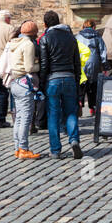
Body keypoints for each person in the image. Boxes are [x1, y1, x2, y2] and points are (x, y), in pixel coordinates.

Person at [38, 10, 84, 159]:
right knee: (71, 112)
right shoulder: (71, 38)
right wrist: (77, 80)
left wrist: (42, 84)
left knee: (53, 115)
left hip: (53, 79)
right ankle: (74, 140)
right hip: (69, 77)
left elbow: (44, 64)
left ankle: (55, 150)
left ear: (45, 24)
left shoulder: (45, 39)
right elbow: (77, 62)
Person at [5, 21, 41, 159]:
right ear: (34, 33)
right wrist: (40, 66)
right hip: (25, 84)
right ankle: (24, 149)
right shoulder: (28, 44)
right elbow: (29, 68)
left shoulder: (15, 43)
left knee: (19, 118)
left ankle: (17, 148)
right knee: (25, 118)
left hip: (15, 82)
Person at [75, 18, 104, 114]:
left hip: (82, 62)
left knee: (81, 85)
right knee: (93, 86)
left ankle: (80, 103)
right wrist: (105, 65)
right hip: (94, 62)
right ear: (94, 27)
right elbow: (103, 51)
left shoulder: (78, 36)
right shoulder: (97, 36)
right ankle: (93, 107)